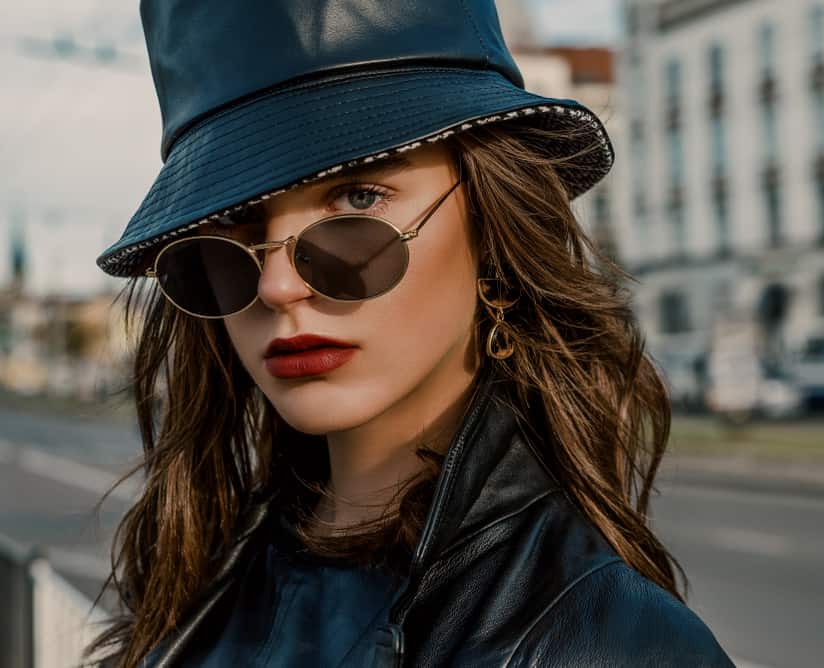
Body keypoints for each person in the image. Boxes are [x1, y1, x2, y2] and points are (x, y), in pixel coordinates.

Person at [87, 1, 736, 666]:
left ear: (492, 226)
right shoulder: (201, 580)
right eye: (232, 226)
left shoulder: (614, 646)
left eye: (359, 199)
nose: (279, 286)